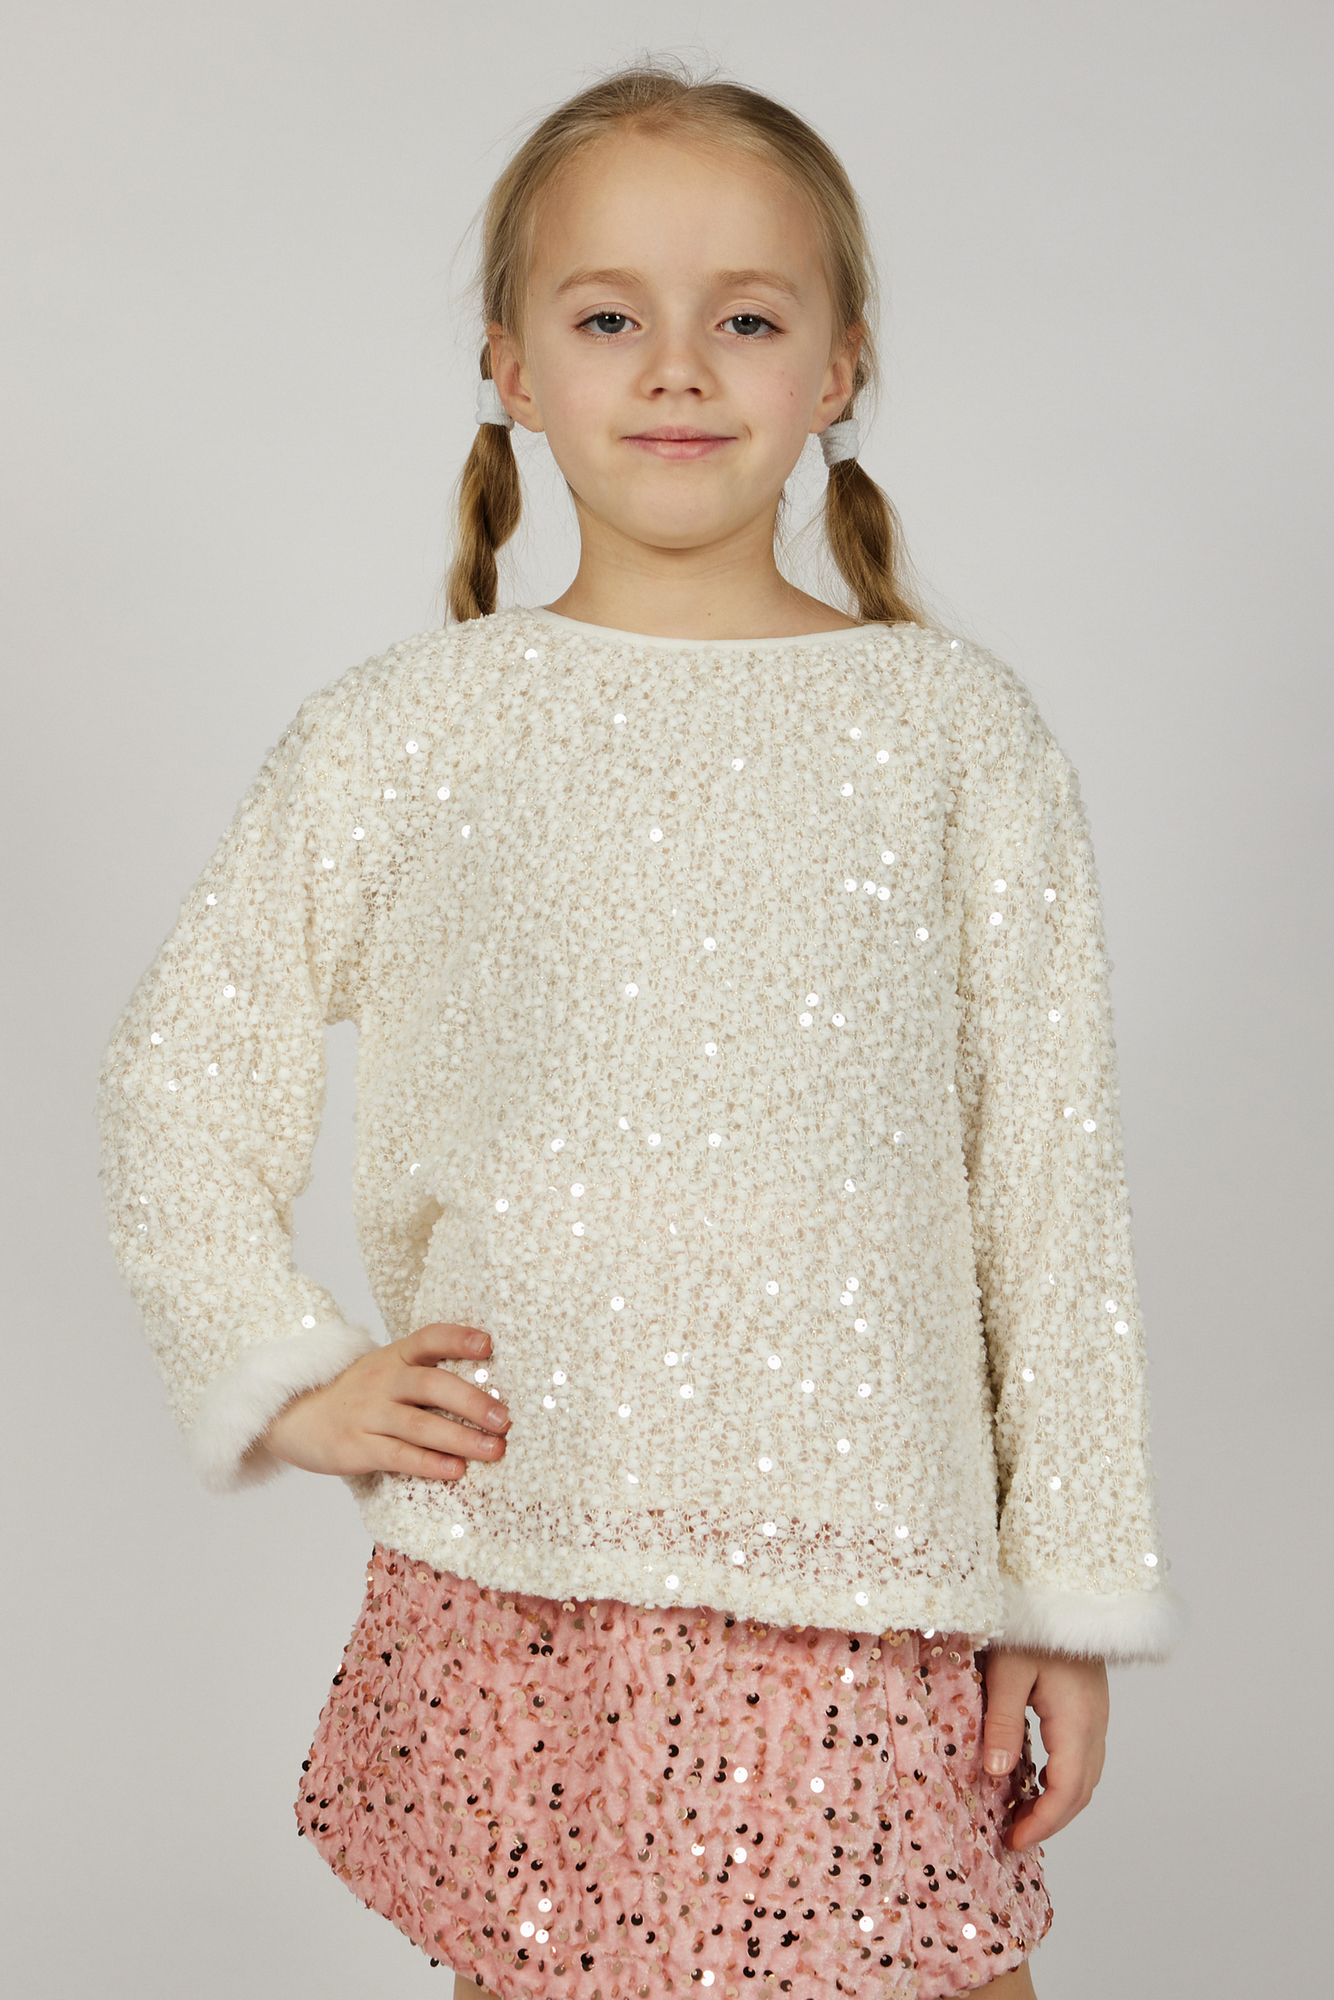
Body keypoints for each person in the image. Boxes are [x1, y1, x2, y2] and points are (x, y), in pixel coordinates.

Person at [96, 56, 1181, 2000]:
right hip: (527, 1563)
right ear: (512, 364)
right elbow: (185, 1070)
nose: (677, 369)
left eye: (743, 319)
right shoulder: (406, 732)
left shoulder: (951, 734)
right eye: (610, 319)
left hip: (869, 1579)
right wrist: (285, 1374)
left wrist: (1063, 1587)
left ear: (837, 366)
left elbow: (1048, 1187)